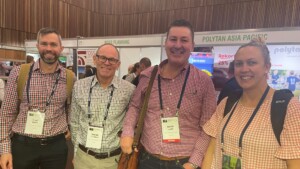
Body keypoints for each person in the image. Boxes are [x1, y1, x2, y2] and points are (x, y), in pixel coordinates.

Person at [120, 19, 217, 169]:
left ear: (192, 45)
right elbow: (135, 107)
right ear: (166, 43)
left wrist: (194, 162)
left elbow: (208, 127)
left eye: (184, 40)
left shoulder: (204, 82)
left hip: (184, 162)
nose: (178, 45)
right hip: (146, 160)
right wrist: (127, 132)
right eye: (173, 39)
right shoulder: (147, 76)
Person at [202, 39, 300, 169]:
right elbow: (211, 150)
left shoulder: (289, 108)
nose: (244, 69)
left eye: (252, 62)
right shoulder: (227, 103)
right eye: (239, 64)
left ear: (267, 67)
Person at [0, 27, 75, 169]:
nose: (49, 48)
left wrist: (70, 128)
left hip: (56, 147)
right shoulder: (19, 73)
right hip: (23, 145)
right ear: (37, 46)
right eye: (44, 43)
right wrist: (4, 150)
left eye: (53, 44)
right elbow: (6, 114)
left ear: (61, 48)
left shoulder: (70, 77)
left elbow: (70, 109)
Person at [70, 43, 135, 169]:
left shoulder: (129, 90)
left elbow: (131, 123)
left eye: (112, 59)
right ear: (95, 59)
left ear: (118, 64)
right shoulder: (79, 86)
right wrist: (76, 152)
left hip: (113, 161)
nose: (107, 62)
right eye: (102, 58)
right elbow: (74, 122)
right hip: (83, 158)